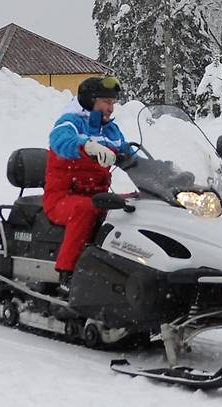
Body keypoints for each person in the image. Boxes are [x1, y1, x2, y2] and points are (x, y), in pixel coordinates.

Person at [44, 76, 132, 294]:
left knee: (133, 205)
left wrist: (162, 169)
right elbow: (60, 141)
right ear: (90, 100)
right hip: (62, 198)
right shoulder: (70, 122)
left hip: (98, 195)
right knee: (85, 209)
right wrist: (87, 147)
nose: (111, 108)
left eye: (113, 103)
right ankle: (68, 272)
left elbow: (130, 154)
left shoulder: (110, 130)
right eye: (106, 102)